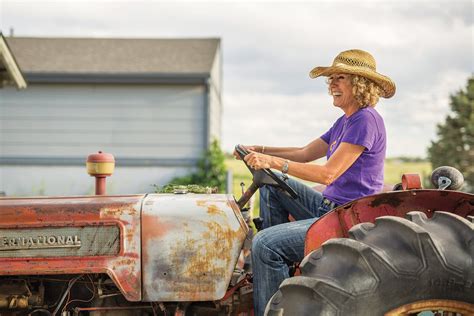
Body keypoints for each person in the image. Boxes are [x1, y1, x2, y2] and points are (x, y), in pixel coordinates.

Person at [235, 49, 396, 316]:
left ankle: (273, 287)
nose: (332, 84)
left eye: (339, 78)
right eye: (331, 78)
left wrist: (271, 162)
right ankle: (280, 269)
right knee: (272, 187)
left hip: (347, 217)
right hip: (328, 207)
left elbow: (327, 174)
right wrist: (259, 149)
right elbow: (304, 153)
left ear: (360, 85)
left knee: (263, 244)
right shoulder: (345, 121)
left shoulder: (366, 120)